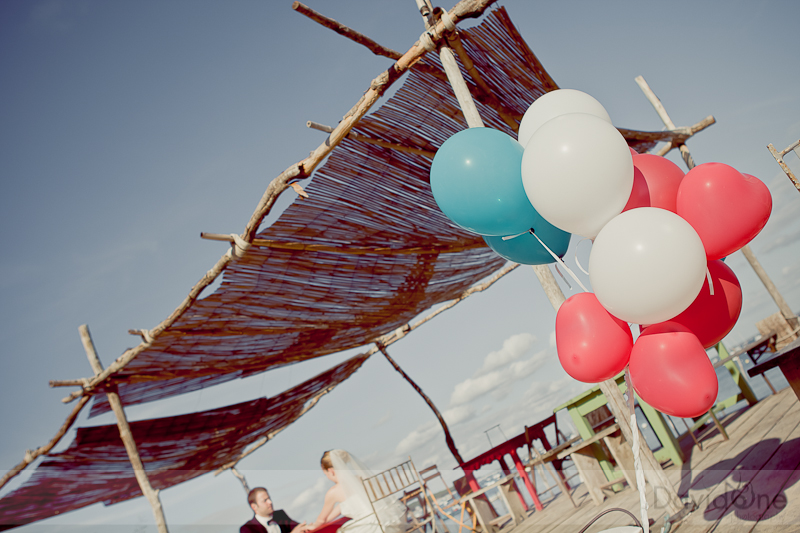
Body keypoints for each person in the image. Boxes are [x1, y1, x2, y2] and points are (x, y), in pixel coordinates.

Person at [309, 450, 406, 533]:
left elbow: (321, 520)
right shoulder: (362, 479)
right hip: (389, 522)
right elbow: (345, 505)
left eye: (325, 473)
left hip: (371, 528)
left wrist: (308, 527)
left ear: (330, 471)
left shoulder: (333, 492)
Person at [241, 487, 308, 533]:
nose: (270, 502)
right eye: (265, 500)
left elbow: (298, 528)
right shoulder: (247, 529)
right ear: (254, 507)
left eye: (269, 498)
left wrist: (312, 525)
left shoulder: (280, 514)